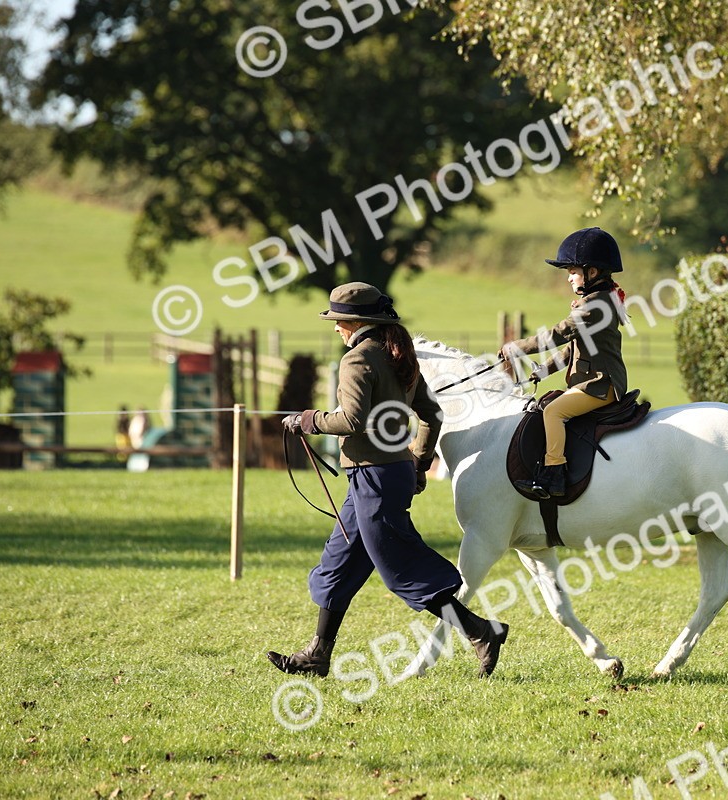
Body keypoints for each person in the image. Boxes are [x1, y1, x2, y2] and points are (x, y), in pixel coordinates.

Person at [269, 282, 509, 679]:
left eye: (338, 321)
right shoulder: (399, 357)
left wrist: (306, 420)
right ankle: (317, 653)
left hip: (375, 479)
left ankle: (481, 631)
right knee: (339, 562)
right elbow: (432, 413)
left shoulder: (358, 360)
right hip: (385, 475)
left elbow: (351, 421)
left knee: (401, 567)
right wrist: (417, 462)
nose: (335, 328)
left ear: (356, 322)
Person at [499, 227, 629, 499]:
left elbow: (558, 334)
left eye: (572, 271)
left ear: (592, 272)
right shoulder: (595, 301)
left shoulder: (596, 305)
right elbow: (571, 350)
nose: (568, 278)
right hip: (590, 383)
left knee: (553, 412)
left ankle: (554, 473)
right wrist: (540, 372)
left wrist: (517, 347)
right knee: (545, 405)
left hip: (599, 386)